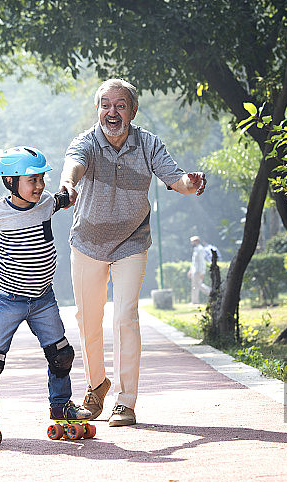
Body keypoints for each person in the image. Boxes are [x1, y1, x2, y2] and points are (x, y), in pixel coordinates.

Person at [59, 78, 207, 427]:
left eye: (120, 105)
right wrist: (68, 184)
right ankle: (97, 387)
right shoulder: (86, 142)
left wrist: (191, 184)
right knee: (87, 319)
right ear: (98, 110)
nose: (112, 111)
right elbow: (74, 166)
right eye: (105, 105)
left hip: (131, 241)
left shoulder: (148, 144)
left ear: (132, 111)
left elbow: (176, 179)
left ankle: (126, 401)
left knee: (125, 316)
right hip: (88, 243)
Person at [0, 146, 91, 431]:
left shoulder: (46, 203)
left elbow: (62, 199)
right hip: (7, 298)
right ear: (10, 181)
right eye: (32, 180)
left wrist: (70, 192)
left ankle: (61, 405)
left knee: (61, 354)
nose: (40, 186)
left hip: (43, 298)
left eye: (42, 179)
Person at [188, 235, 210, 305]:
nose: (192, 243)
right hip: (195, 271)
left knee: (199, 285)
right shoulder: (196, 249)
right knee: (195, 286)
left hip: (198, 271)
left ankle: (211, 293)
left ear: (197, 241)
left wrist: (202, 272)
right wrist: (190, 270)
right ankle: (194, 301)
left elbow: (202, 261)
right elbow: (194, 262)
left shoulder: (200, 249)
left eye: (193, 242)